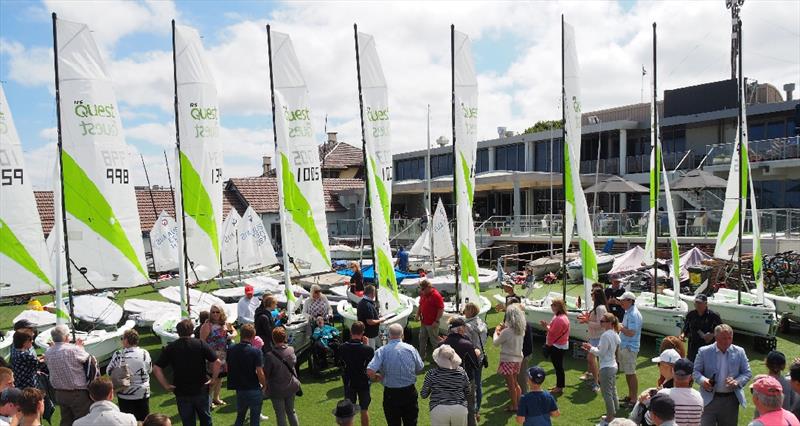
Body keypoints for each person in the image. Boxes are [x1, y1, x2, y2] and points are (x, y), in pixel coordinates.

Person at [153, 319, 220, 426]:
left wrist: (165, 385)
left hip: (181, 391)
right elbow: (217, 362)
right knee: (206, 420)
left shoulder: (171, 347)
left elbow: (156, 368)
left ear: (178, 332)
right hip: (200, 390)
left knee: (188, 422)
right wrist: (213, 379)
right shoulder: (200, 344)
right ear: (192, 331)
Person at [692, 324, 752, 426]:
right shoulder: (704, 351)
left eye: (730, 338)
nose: (727, 341)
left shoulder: (739, 352)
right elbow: (695, 372)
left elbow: (747, 372)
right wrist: (703, 381)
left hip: (730, 401)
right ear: (716, 337)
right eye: (724, 338)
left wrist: (737, 381)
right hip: (708, 399)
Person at [367, 323, 424, 426]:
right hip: (409, 391)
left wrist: (377, 378)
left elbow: (370, 371)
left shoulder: (382, 351)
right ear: (402, 335)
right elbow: (420, 367)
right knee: (411, 423)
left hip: (391, 394)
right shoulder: (411, 349)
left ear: (389, 335)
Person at [44, 324, 92, 426]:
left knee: (66, 421)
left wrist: (76, 347)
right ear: (66, 337)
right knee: (83, 421)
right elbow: (90, 360)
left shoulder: (48, 352)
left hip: (60, 393)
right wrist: (80, 347)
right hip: (77, 393)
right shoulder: (74, 350)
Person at [582, 312, 622, 425]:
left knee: (606, 393)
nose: (600, 322)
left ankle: (610, 417)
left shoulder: (605, 335)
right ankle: (614, 410)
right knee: (613, 389)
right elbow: (613, 345)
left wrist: (590, 348)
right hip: (613, 365)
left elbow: (601, 353)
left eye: (602, 321)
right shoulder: (614, 333)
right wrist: (591, 348)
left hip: (606, 367)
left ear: (609, 323)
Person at [106, 329, 152, 421]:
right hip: (143, 392)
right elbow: (149, 369)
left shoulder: (119, 354)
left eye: (122, 338)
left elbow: (109, 371)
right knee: (144, 421)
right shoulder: (144, 353)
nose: (122, 340)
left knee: (127, 421)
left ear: (126, 340)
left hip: (125, 393)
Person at [441, 318, 480, 426]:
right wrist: (476, 353)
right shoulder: (466, 344)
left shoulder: (441, 345)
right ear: (460, 329)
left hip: (447, 382)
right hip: (465, 381)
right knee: (469, 409)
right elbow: (476, 365)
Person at [226, 324, 266, 426]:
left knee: (240, 417)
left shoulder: (231, 349)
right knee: (255, 419)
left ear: (241, 334)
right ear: (253, 336)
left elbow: (228, 366)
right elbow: (259, 372)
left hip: (239, 388)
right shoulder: (256, 351)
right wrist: (264, 385)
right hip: (253, 387)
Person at [421, 345, 470, 426]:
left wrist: (431, 388)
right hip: (459, 408)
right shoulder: (461, 372)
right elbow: (468, 391)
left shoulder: (432, 373)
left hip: (439, 409)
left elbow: (423, 394)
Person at [199, 304, 237, 407]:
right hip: (211, 357)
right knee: (212, 380)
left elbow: (235, 331)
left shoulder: (225, 323)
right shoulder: (207, 326)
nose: (215, 314)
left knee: (220, 378)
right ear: (210, 314)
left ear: (221, 313)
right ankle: (209, 401)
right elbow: (201, 342)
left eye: (217, 312)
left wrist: (231, 335)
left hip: (223, 355)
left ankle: (216, 398)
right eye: (213, 312)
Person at [633, 349, 681, 426]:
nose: (658, 367)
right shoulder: (674, 382)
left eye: (659, 364)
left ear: (667, 366)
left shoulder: (668, 388)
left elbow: (650, 419)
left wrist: (645, 402)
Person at [339, 321, 374, 426]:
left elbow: (340, 363)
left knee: (349, 411)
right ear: (362, 333)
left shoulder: (342, 347)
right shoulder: (368, 349)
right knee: (364, 409)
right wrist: (366, 345)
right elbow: (370, 366)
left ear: (351, 332)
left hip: (349, 382)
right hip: (363, 382)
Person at [263, 327, 300, 426]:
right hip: (291, 386)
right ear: (285, 337)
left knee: (280, 414)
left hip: (277, 389)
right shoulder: (291, 350)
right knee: (291, 411)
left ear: (273, 338)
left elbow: (266, 373)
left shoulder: (269, 356)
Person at [493, 303, 525, 412]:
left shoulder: (507, 331)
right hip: (518, 359)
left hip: (507, 360)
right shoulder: (521, 330)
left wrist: (496, 331)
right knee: (515, 384)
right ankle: (518, 404)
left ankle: (515, 406)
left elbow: (496, 343)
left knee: (511, 386)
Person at [657, 358, 704, 426]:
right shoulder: (698, 396)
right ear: (691, 377)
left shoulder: (663, 394)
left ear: (673, 372)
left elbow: (649, 419)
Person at [462, 302, 488, 422]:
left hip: (471, 358)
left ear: (471, 311)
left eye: (466, 310)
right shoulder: (482, 322)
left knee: (472, 385)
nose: (464, 312)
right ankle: (477, 410)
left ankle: (472, 411)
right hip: (481, 357)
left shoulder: (467, 326)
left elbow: (466, 343)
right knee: (478, 383)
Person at [579, 287, 608, 392]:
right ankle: (596, 379)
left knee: (592, 359)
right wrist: (587, 319)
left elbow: (601, 325)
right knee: (592, 360)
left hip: (598, 338)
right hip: (594, 337)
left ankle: (597, 382)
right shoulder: (598, 307)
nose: (591, 296)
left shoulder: (600, 308)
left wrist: (587, 321)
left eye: (592, 294)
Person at [540, 298, 569, 395]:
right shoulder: (561, 316)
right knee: (558, 367)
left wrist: (546, 327)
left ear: (558, 307)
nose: (551, 306)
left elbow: (553, 332)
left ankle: (559, 387)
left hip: (557, 346)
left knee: (558, 367)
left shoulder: (559, 319)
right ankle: (559, 386)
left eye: (553, 305)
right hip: (561, 345)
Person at [680, 294, 722, 361]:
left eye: (700, 303)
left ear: (706, 303)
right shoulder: (691, 314)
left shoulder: (713, 316)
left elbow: (721, 330)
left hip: (708, 346)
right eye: (696, 302)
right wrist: (683, 335)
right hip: (693, 346)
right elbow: (686, 328)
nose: (697, 305)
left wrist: (712, 335)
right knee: (691, 364)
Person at [754, 350, 795, 417]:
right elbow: (792, 403)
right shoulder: (789, 383)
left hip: (762, 420)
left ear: (766, 363)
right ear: (783, 366)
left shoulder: (759, 381)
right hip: (782, 420)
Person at [618, 292, 642, 407]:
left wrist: (620, 328)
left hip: (629, 347)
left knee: (631, 373)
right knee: (628, 373)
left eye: (623, 300)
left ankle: (633, 399)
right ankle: (631, 396)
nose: (621, 302)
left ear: (630, 301)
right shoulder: (629, 312)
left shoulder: (633, 314)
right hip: (626, 346)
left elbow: (631, 333)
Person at [417, 280, 444, 359]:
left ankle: (439, 358)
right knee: (422, 339)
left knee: (434, 341)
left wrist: (436, 321)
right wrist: (418, 314)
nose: (421, 291)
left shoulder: (436, 295)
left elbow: (441, 309)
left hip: (432, 323)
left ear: (429, 287)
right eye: (421, 289)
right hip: (424, 322)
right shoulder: (423, 294)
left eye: (423, 289)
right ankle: (421, 356)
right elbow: (420, 304)